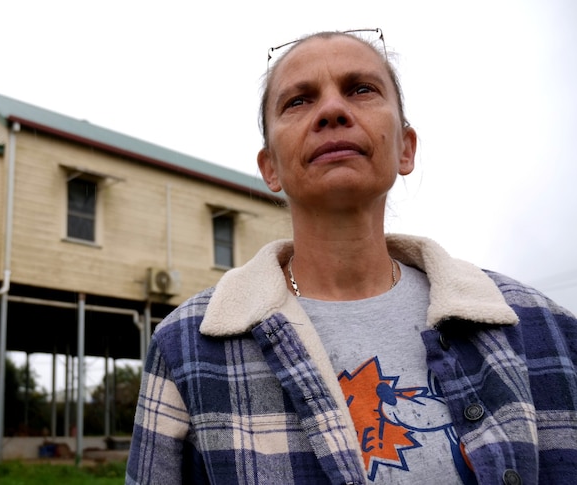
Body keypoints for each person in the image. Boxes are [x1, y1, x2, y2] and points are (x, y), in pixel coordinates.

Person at [126, 30, 577, 485]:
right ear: (270, 169)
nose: (332, 110)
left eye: (361, 89)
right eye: (298, 100)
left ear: (406, 148)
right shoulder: (187, 347)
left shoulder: (541, 328)